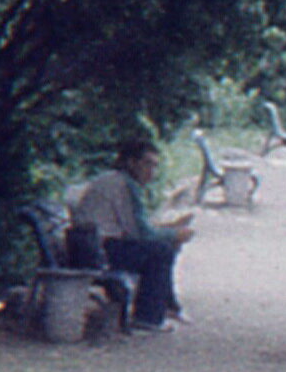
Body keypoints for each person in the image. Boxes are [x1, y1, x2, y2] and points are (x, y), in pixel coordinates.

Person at [68, 139, 195, 331]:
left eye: (154, 166)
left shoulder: (113, 179)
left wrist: (169, 231)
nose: (151, 171)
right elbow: (140, 233)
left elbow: (135, 227)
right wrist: (174, 234)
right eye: (147, 164)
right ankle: (149, 318)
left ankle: (168, 305)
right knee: (161, 251)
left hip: (88, 245)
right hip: (97, 250)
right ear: (130, 162)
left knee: (161, 248)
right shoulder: (124, 185)